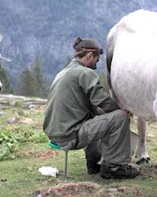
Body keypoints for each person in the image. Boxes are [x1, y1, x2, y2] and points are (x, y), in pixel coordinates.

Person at [43, 37, 140, 179]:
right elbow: (104, 102)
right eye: (97, 59)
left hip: (55, 133)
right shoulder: (85, 73)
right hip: (70, 135)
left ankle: (94, 163)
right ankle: (114, 167)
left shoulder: (64, 72)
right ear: (89, 56)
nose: (96, 64)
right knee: (120, 117)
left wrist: (104, 114)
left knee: (96, 118)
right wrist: (124, 110)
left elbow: (92, 107)